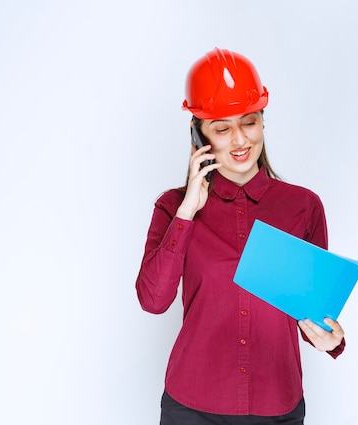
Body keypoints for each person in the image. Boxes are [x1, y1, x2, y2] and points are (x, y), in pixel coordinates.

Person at [135, 48, 346, 425]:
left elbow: (313, 313)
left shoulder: (303, 207)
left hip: (276, 406)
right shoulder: (172, 207)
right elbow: (153, 300)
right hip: (191, 407)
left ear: (263, 121)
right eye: (221, 128)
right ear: (199, 137)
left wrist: (331, 339)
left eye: (249, 122)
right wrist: (187, 212)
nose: (239, 140)